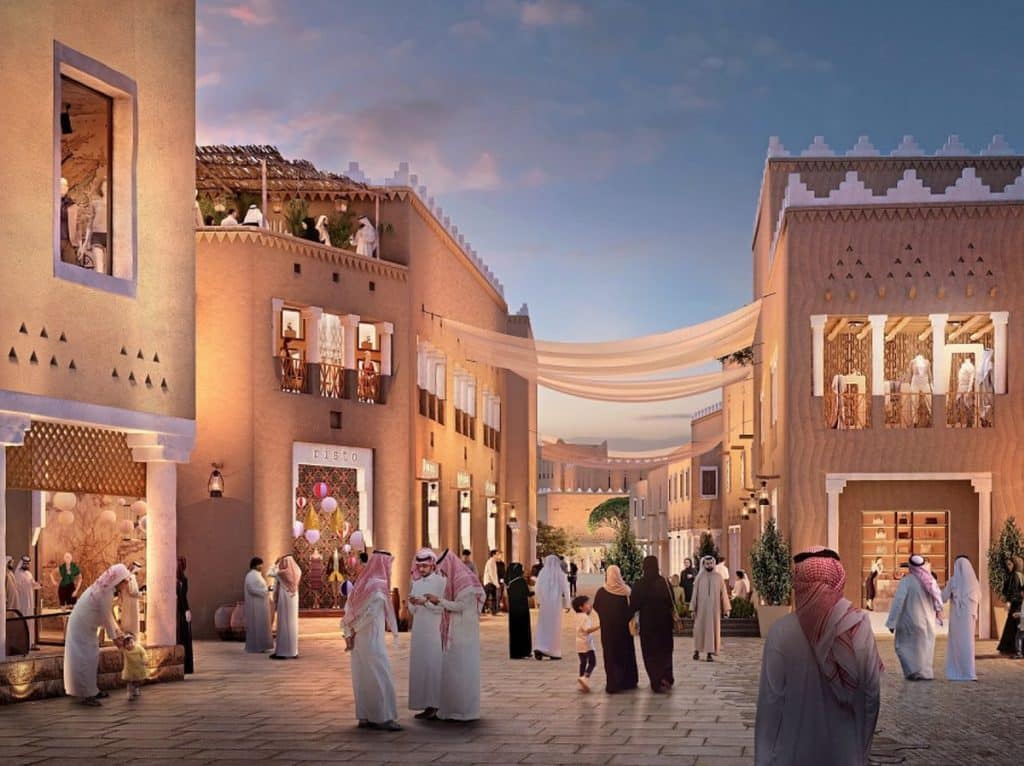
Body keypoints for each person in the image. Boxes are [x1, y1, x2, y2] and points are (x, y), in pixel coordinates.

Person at [754, 547, 882, 766]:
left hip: (792, 751)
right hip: (844, 750)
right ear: (839, 581)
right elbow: (871, 696)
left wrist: (763, 759)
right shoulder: (857, 627)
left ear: (798, 585)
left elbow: (771, 702)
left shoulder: (781, 631)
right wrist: (861, 749)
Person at [342, 550, 401, 731]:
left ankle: (365, 716)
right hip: (371, 638)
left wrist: (349, 632)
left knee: (361, 675)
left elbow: (348, 610)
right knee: (379, 673)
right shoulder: (378, 586)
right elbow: (370, 615)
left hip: (358, 638)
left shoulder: (361, 583)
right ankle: (383, 717)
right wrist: (355, 630)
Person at [64, 564, 131, 705]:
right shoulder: (105, 593)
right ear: (118, 580)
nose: (127, 583)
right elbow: (107, 618)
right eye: (125, 580)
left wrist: (117, 632)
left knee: (91, 657)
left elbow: (108, 616)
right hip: (81, 627)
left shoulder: (105, 589)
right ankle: (86, 695)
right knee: (84, 659)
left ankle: (91, 690)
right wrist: (116, 638)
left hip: (86, 627)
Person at [434, 549, 484, 721]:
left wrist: (439, 601)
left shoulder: (465, 582)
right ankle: (451, 709)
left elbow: (460, 606)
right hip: (455, 631)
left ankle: (464, 710)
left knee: (462, 668)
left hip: (464, 632)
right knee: (452, 668)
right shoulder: (453, 581)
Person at [885, 554, 942, 680]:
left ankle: (913, 671)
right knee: (925, 647)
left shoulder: (906, 581)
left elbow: (898, 602)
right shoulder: (931, 581)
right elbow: (938, 601)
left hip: (910, 621)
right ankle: (924, 673)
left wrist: (892, 623)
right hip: (928, 622)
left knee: (902, 645)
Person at [407, 548, 445, 720]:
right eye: (419, 566)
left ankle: (436, 704)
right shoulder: (416, 583)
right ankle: (426, 704)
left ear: (432, 566)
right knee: (421, 666)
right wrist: (413, 603)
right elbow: (412, 610)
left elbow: (442, 608)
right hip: (419, 631)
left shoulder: (440, 582)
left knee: (433, 666)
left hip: (434, 631)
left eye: (424, 566)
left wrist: (426, 603)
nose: (421, 569)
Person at [629, 556, 676, 692]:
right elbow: (671, 601)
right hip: (664, 624)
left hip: (648, 624)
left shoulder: (639, 584)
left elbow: (634, 605)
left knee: (650, 652)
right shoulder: (664, 582)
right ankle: (667, 677)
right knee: (665, 650)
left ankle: (656, 680)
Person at [592, 565, 638, 693]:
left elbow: (596, 607)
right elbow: (631, 609)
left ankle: (612, 683)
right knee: (625, 654)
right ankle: (627, 681)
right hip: (623, 631)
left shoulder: (601, 592)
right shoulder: (626, 591)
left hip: (607, 631)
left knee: (610, 655)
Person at [941, 555, 981, 681]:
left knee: (956, 644)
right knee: (968, 644)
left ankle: (955, 672)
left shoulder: (953, 581)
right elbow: (979, 598)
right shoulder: (975, 583)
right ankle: (968, 672)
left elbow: (943, 597)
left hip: (957, 620)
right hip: (969, 620)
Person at [691, 555, 730, 662]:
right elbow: (695, 594)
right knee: (699, 630)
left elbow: (724, 593)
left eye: (711, 563)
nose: (709, 565)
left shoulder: (718, 577)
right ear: (703, 564)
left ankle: (709, 653)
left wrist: (726, 608)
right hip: (701, 611)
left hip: (714, 611)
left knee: (712, 632)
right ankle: (697, 651)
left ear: (714, 564)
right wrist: (693, 608)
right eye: (707, 564)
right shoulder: (699, 578)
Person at [533, 553, 570, 660]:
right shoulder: (560, 574)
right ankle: (553, 651)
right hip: (555, 605)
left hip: (544, 606)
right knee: (554, 627)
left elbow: (537, 588)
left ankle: (540, 647)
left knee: (543, 626)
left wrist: (538, 600)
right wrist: (567, 604)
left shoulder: (542, 573)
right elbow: (566, 590)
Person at [271, 555, 301, 659]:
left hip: (284, 600)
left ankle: (283, 652)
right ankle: (293, 651)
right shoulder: (298, 571)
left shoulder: (281, 573)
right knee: (292, 625)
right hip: (294, 597)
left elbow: (270, 573)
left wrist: (276, 564)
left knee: (283, 625)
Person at [244, 557, 273, 653]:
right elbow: (252, 589)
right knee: (257, 625)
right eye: (260, 564)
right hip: (256, 606)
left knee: (261, 625)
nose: (262, 566)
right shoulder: (251, 576)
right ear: (255, 565)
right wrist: (266, 590)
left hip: (261, 605)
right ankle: (256, 646)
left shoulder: (257, 575)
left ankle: (262, 645)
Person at [996, 556, 1024, 655]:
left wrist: (1009, 601)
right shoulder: (1020, 575)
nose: (1008, 567)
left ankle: (1012, 648)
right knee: (1017, 626)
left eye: (1010, 564)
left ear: (1015, 564)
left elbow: (1013, 590)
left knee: (1013, 626)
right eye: (1007, 564)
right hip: (1019, 604)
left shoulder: (1015, 575)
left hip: (1015, 604)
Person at [573, 594, 600, 692]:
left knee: (583, 662)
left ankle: (582, 680)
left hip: (578, 643)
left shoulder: (578, 615)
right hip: (586, 644)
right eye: (587, 604)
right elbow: (587, 630)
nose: (589, 605)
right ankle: (585, 678)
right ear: (581, 607)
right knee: (592, 662)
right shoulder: (585, 617)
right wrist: (599, 626)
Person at [506, 562, 532, 658]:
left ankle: (515, 653)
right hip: (523, 610)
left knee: (515, 631)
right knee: (523, 631)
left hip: (513, 611)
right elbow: (528, 593)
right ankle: (525, 651)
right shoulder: (521, 581)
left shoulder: (510, 583)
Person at [176, 557, 194, 674]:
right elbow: (183, 597)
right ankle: (186, 666)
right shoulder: (183, 579)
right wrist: (186, 610)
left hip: (178, 611)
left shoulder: (177, 579)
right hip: (181, 612)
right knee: (184, 636)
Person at [121, 632, 148, 700]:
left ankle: (136, 688)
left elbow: (144, 654)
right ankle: (129, 692)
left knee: (138, 681)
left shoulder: (138, 647)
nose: (129, 645)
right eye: (127, 644)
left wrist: (145, 660)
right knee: (130, 682)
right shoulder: (125, 651)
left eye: (131, 642)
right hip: (129, 669)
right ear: (124, 645)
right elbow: (119, 645)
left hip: (139, 668)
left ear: (134, 642)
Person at [120, 561, 143, 638]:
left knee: (127, 620)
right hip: (131, 603)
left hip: (127, 602)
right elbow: (132, 591)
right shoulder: (131, 577)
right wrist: (141, 594)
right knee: (132, 623)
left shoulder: (126, 576)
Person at [482, 550, 501, 616]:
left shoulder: (493, 562)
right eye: (497, 554)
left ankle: (493, 611)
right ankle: (481, 610)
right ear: (494, 555)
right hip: (489, 582)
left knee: (493, 597)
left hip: (491, 582)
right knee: (485, 597)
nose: (499, 556)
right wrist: (496, 584)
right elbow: (492, 574)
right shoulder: (491, 562)